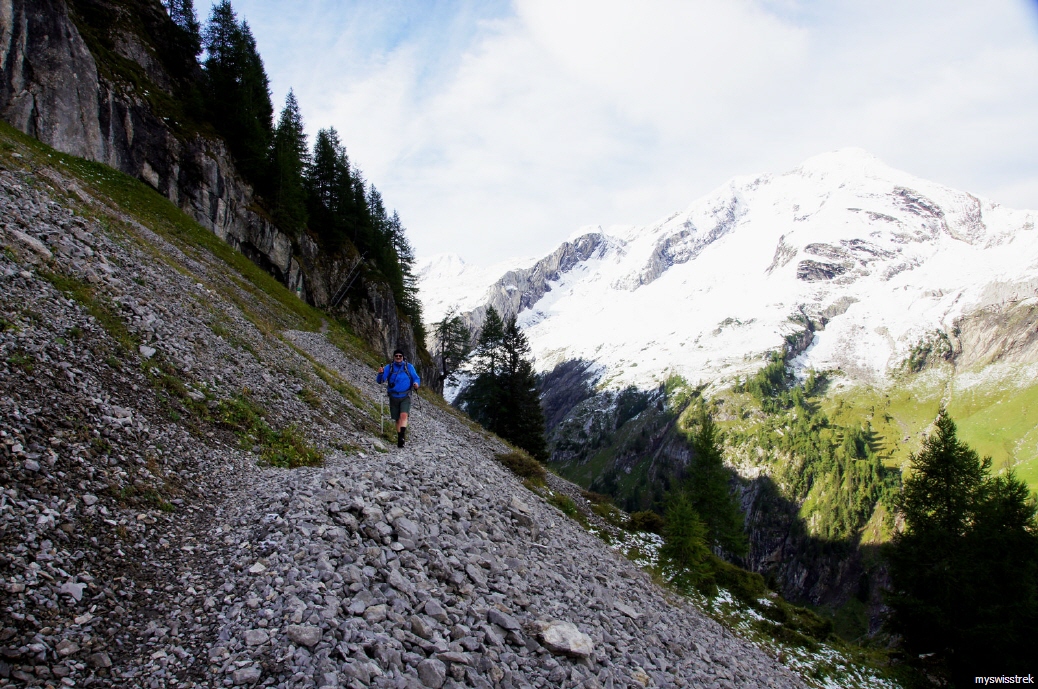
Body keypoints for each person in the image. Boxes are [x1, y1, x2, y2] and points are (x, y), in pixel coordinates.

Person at [376, 349, 420, 448]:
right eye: (396, 356)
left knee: (404, 415)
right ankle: (400, 437)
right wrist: (380, 374)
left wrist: (416, 384)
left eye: (400, 356)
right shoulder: (389, 367)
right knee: (397, 419)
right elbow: (381, 381)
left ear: (403, 357)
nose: (398, 357)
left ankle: (401, 437)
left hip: (406, 395)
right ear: (394, 357)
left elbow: (416, 377)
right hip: (393, 396)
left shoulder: (409, 367)